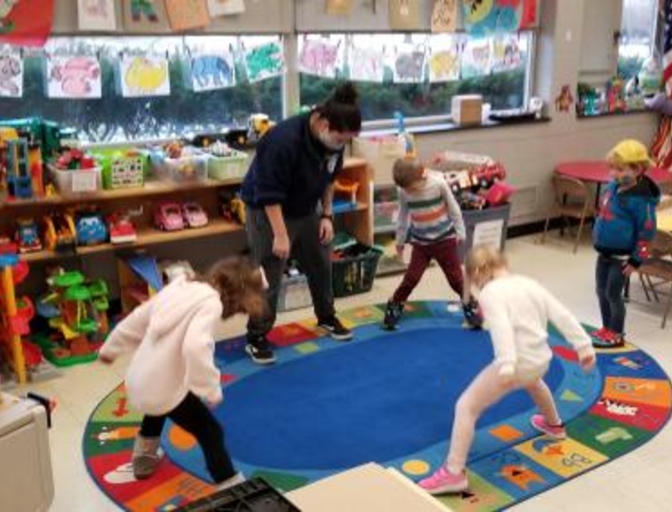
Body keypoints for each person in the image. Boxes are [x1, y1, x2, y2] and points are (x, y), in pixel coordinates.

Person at [418, 244, 596, 495]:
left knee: (466, 407)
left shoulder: (491, 292)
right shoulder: (528, 283)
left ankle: (453, 473)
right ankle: (554, 425)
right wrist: (584, 346)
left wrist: (507, 362)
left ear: (478, 272)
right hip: (540, 360)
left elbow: (501, 327)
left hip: (515, 364)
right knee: (534, 382)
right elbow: (561, 314)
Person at [98, 256, 266, 489]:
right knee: (210, 431)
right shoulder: (211, 303)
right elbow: (196, 346)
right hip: (159, 387)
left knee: (164, 401)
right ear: (236, 296)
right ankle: (230, 485)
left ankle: (144, 455)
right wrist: (209, 389)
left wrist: (111, 348)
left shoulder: (179, 288)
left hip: (140, 378)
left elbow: (138, 319)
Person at [240, 82, 362, 364]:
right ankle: (257, 335)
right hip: (267, 209)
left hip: (306, 206)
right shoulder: (282, 141)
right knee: (269, 270)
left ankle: (327, 317)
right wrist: (281, 235)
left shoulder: (335, 139)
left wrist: (328, 215)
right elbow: (268, 192)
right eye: (340, 138)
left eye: (346, 140)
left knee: (321, 260)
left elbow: (330, 178)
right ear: (321, 122)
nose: (341, 145)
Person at [382, 157, 482, 330]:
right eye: (405, 188)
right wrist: (399, 242)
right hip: (421, 244)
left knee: (456, 280)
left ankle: (470, 304)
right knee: (411, 278)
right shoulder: (404, 191)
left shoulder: (438, 184)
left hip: (445, 240)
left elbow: (454, 209)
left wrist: (460, 233)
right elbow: (403, 217)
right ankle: (395, 303)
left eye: (411, 187)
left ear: (422, 175)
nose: (408, 191)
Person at [591, 139, 659, 348]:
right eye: (612, 168)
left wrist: (636, 259)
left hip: (622, 258)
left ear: (638, 169)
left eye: (620, 169)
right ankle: (606, 327)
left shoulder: (642, 201)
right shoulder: (612, 188)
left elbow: (647, 232)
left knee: (613, 294)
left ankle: (616, 332)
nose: (613, 174)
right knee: (600, 291)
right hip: (604, 253)